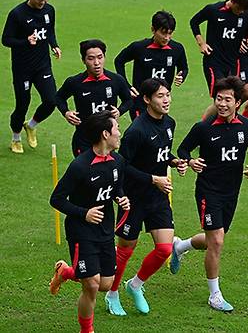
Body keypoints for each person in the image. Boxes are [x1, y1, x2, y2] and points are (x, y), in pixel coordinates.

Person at [174, 76, 248, 312]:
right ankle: (215, 295)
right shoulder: (203, 128)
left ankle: (180, 247)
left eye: (228, 99)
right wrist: (191, 161)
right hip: (207, 191)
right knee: (218, 241)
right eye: (219, 99)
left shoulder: (246, 126)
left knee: (215, 240)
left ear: (238, 102)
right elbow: (183, 148)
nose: (222, 104)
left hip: (231, 193)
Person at [105, 78, 187, 316]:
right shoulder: (136, 131)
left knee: (164, 249)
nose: (166, 100)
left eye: (168, 94)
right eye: (160, 96)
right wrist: (154, 179)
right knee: (126, 250)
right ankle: (112, 294)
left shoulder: (170, 123)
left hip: (158, 197)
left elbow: (161, 153)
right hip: (134, 199)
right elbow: (123, 166)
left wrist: (174, 161)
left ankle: (135, 285)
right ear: (147, 99)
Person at [48, 111, 131, 333]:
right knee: (92, 285)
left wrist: (121, 197)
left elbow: (116, 187)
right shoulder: (80, 166)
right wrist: (84, 213)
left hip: (104, 230)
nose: (119, 133)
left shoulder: (119, 161)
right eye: (117, 129)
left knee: (105, 284)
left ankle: (66, 272)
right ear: (105, 134)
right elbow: (56, 199)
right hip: (80, 230)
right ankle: (87, 330)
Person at [2, 0, 61, 153]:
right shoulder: (17, 14)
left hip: (42, 65)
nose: (42, 3)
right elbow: (6, 40)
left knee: (51, 100)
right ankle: (16, 137)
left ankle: (31, 125)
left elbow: (49, 30)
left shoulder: (49, 10)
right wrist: (25, 42)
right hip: (22, 68)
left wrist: (54, 45)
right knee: (23, 103)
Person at [55, 39, 132, 156]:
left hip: (107, 139)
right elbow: (58, 98)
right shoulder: (75, 82)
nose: (97, 63)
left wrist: (119, 111)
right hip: (83, 139)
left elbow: (128, 100)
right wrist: (66, 112)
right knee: (86, 172)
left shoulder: (116, 80)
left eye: (100, 57)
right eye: (91, 58)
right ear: (83, 60)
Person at [114, 10, 188, 120]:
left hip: (161, 101)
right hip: (141, 101)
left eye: (170, 33)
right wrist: (126, 86)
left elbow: (183, 68)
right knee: (142, 132)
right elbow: (119, 61)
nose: (167, 37)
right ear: (153, 29)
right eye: (163, 33)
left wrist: (181, 76)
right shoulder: (139, 48)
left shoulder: (177, 49)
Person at [190, 0, 248, 97]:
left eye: (244, 10)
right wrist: (201, 43)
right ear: (232, 1)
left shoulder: (246, 14)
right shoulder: (214, 10)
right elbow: (194, 22)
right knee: (221, 96)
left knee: (232, 97)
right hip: (214, 61)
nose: (241, 12)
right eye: (239, 8)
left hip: (233, 62)